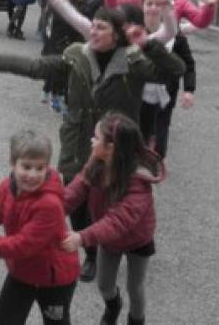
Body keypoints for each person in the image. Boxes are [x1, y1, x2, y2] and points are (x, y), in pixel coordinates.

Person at [0, 0, 184, 283]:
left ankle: (113, 245)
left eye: (101, 28)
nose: (93, 31)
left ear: (117, 35)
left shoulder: (134, 63)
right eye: (93, 25)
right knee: (76, 200)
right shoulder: (76, 56)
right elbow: (39, 68)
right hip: (78, 142)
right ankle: (90, 254)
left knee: (109, 199)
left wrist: (150, 45)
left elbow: (175, 70)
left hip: (114, 146)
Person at [0, 130, 79, 325]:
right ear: (13, 163)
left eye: (40, 168)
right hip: (23, 271)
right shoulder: (7, 187)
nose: (33, 175)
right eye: (26, 166)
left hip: (55, 279)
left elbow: (21, 245)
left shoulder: (50, 205)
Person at [63, 113, 164, 325]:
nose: (92, 140)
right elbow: (76, 189)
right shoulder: (97, 163)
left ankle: (136, 320)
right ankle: (113, 305)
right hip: (110, 240)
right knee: (104, 284)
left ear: (111, 148)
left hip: (138, 240)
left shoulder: (138, 182)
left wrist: (82, 237)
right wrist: (51, 210)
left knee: (135, 288)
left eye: (96, 137)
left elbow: (117, 221)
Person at [132, 0, 196, 159]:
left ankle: (156, 162)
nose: (153, 8)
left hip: (165, 95)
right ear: (142, 7)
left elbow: (188, 64)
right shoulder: (133, 33)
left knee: (160, 134)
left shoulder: (176, 35)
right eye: (149, 4)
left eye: (157, 4)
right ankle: (138, 161)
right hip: (139, 94)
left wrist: (189, 90)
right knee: (139, 133)